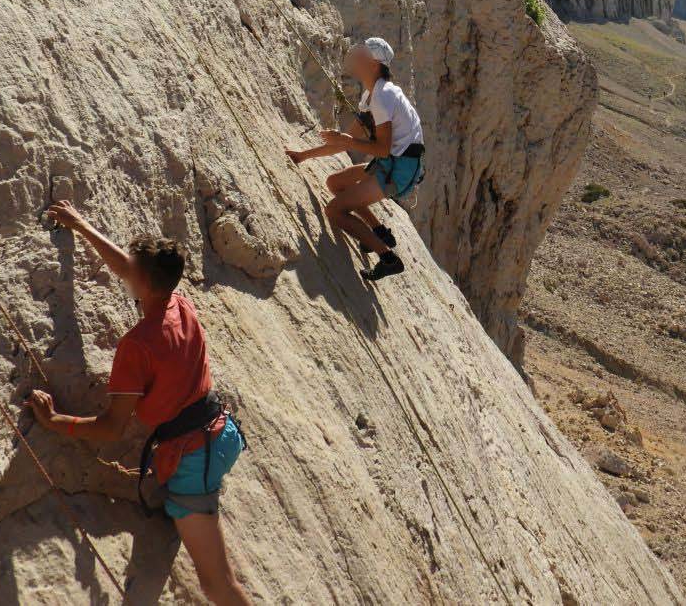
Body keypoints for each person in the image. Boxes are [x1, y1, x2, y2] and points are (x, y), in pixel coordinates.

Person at [26, 200, 252, 606]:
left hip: (194, 461)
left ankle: (184, 511)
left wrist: (56, 421)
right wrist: (81, 226)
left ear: (144, 281)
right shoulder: (180, 305)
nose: (125, 271)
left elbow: (112, 428)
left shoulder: (138, 346)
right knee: (185, 513)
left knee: (217, 584)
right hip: (220, 433)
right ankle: (179, 510)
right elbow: (132, 269)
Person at [286, 36, 424, 282]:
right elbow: (346, 140)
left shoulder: (382, 97)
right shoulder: (372, 97)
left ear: (373, 64)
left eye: (360, 54)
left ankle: (387, 258)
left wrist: (347, 141)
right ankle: (380, 232)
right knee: (335, 184)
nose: (354, 56)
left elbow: (380, 149)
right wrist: (303, 156)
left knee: (334, 210)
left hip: (397, 170)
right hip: (395, 163)